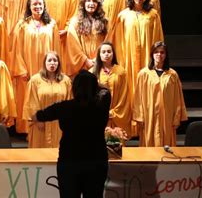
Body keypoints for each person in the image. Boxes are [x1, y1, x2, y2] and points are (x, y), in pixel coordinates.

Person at [31, 70, 111, 198]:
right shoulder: (101, 106)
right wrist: (91, 82)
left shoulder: (64, 107)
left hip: (69, 162)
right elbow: (106, 91)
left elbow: (36, 116)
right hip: (96, 161)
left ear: (74, 88)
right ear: (94, 88)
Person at [113, 0, 164, 135]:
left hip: (146, 60)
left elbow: (157, 39)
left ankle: (145, 128)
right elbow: (118, 40)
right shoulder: (123, 15)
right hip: (128, 59)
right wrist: (120, 61)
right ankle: (129, 129)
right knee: (129, 90)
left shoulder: (153, 15)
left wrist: (156, 61)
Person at [10, 0, 60, 133]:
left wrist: (54, 69)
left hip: (47, 68)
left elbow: (56, 48)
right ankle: (27, 129)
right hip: (28, 67)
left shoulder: (52, 24)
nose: (37, 7)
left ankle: (48, 127)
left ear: (44, 6)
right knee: (28, 97)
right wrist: (21, 69)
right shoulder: (22, 25)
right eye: (34, 4)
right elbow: (17, 49)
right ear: (29, 7)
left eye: (40, 4)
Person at [133, 41, 188, 147]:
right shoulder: (144, 74)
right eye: (156, 52)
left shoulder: (172, 74)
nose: (159, 55)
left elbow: (177, 98)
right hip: (149, 116)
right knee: (149, 144)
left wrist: (176, 117)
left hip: (166, 116)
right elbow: (138, 97)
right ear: (152, 55)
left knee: (167, 144)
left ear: (166, 55)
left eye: (162, 52)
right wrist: (139, 117)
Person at [23, 51, 72, 148]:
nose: (52, 63)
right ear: (44, 63)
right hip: (40, 125)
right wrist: (38, 119)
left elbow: (69, 101)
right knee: (40, 153)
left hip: (59, 125)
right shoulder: (35, 80)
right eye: (49, 60)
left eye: (55, 60)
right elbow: (31, 102)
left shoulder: (66, 81)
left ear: (59, 63)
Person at [65, 0, 108, 78]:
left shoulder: (105, 22)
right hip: (82, 65)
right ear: (83, 3)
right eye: (88, 0)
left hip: (100, 62)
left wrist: (98, 59)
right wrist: (85, 60)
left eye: (94, 1)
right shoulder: (75, 21)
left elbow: (108, 41)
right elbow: (73, 44)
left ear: (98, 4)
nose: (91, 3)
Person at [92, 41, 130, 135]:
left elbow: (124, 97)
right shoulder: (92, 73)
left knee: (115, 145)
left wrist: (113, 113)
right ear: (99, 55)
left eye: (109, 51)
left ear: (113, 54)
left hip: (116, 118)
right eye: (103, 52)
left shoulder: (121, 72)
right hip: (98, 118)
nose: (106, 54)